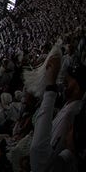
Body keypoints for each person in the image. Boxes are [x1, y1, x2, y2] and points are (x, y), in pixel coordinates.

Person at [29, 38, 85, 172]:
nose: (64, 83)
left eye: (69, 81)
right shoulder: (69, 105)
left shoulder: (70, 115)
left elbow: (39, 158)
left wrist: (50, 88)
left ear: (78, 89)